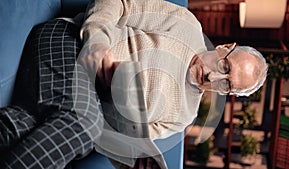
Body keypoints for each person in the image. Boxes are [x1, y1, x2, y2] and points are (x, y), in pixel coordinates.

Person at [0, 0, 268, 168]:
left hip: (85, 104)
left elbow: (118, 136)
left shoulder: (184, 117)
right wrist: (98, 42)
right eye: (224, 67)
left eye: (226, 85)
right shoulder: (186, 25)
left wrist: (131, 149)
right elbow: (118, 3)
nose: (213, 78)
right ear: (225, 48)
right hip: (70, 43)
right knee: (84, 125)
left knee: (20, 128)